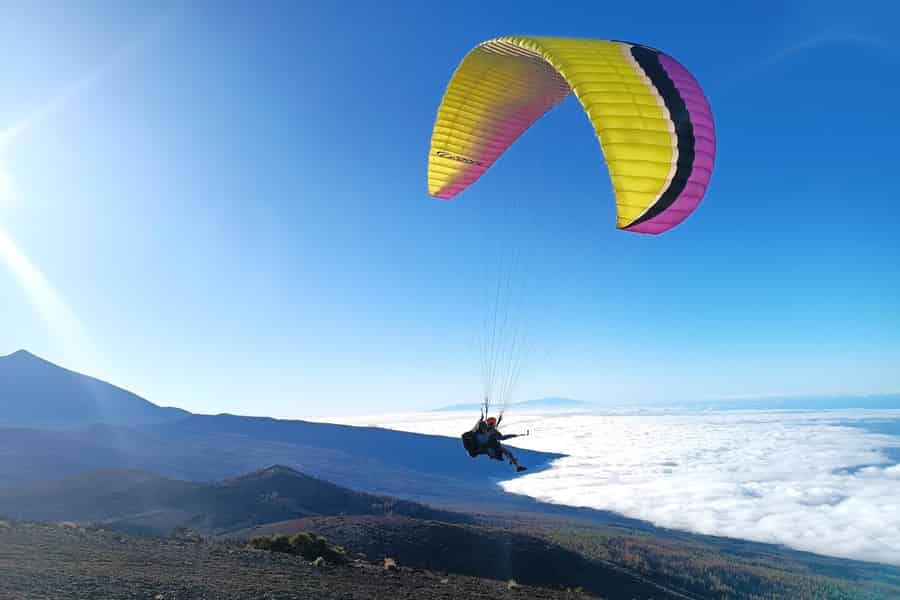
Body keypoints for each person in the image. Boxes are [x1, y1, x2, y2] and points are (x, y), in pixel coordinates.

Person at [462, 413, 528, 472]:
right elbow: (502, 438)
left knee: (505, 451)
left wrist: (481, 419)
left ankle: (517, 466)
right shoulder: (491, 431)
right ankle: (517, 466)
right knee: (506, 452)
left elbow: (476, 428)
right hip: (488, 449)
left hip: (483, 448)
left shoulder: (477, 431)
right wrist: (514, 435)